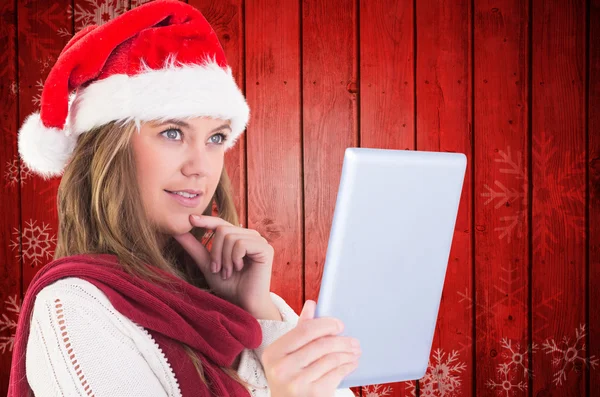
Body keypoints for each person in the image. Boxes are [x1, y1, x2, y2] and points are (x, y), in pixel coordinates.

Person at [7, 1, 361, 396]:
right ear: (110, 150)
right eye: (173, 132)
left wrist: (257, 312)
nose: (201, 167)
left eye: (216, 138)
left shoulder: (237, 304)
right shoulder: (75, 309)